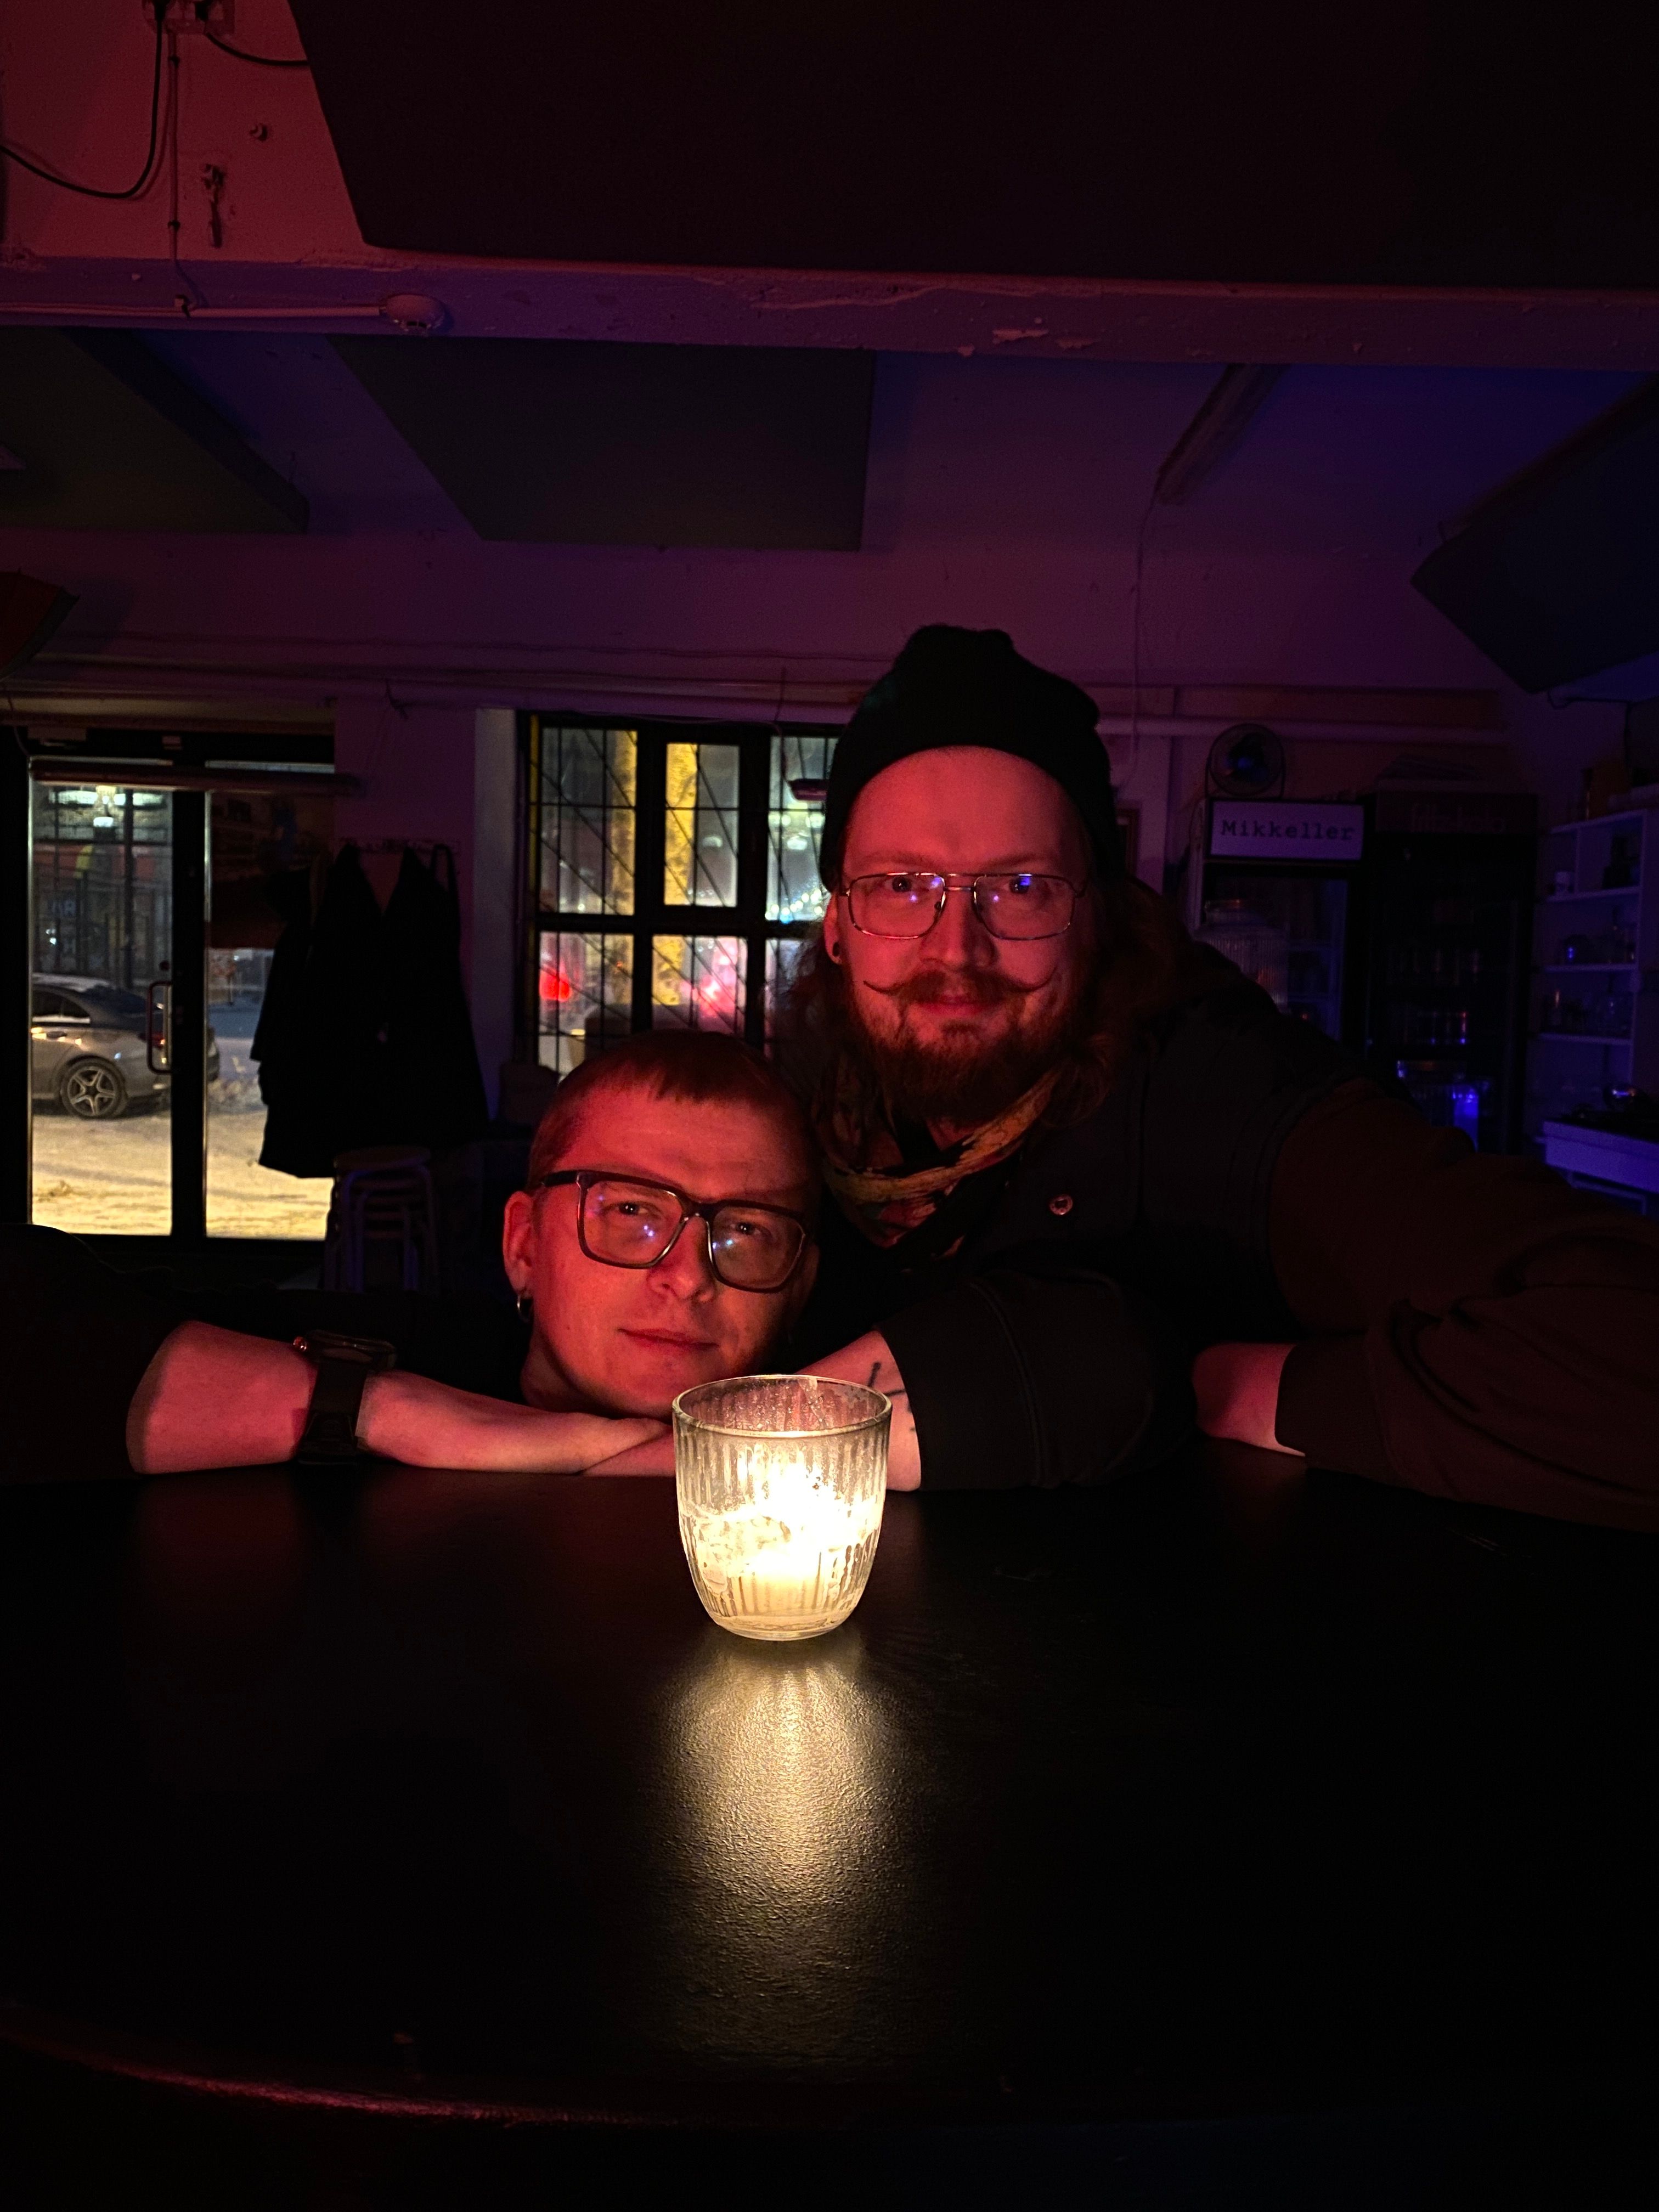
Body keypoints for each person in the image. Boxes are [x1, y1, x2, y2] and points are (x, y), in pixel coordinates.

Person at [768, 624, 1659, 1526]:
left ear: (1098, 921)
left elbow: (1626, 1340)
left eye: (1022, 888)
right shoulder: (808, 1106)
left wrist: (1238, 1388)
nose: (955, 949)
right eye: (900, 885)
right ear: (837, 924)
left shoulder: (1220, 1092)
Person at [0, 1034, 821, 1483]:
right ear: (523, 1245)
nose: (687, 1276)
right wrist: (375, 1411)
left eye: (747, 1231)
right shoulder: (396, 1353)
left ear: (801, 1283)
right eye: (632, 1212)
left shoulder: (838, 1488)